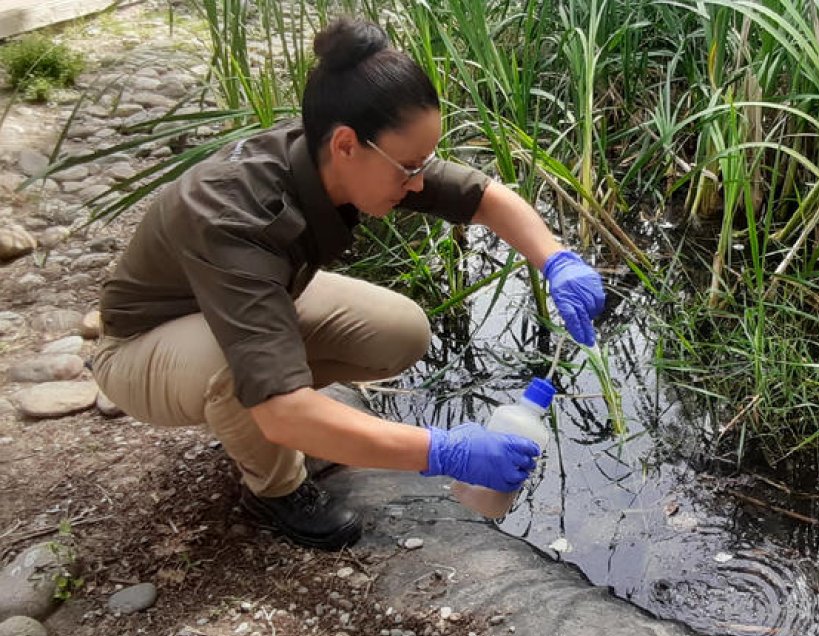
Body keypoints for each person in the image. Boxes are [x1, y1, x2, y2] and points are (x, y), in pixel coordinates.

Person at [91, 18, 605, 551]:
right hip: (141, 347)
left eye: (424, 162)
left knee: (400, 332)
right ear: (345, 144)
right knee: (246, 381)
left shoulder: (347, 156)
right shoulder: (234, 213)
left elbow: (484, 198)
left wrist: (557, 261)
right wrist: (443, 451)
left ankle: (283, 422)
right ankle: (275, 489)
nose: (420, 181)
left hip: (235, 305)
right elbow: (281, 405)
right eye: (409, 166)